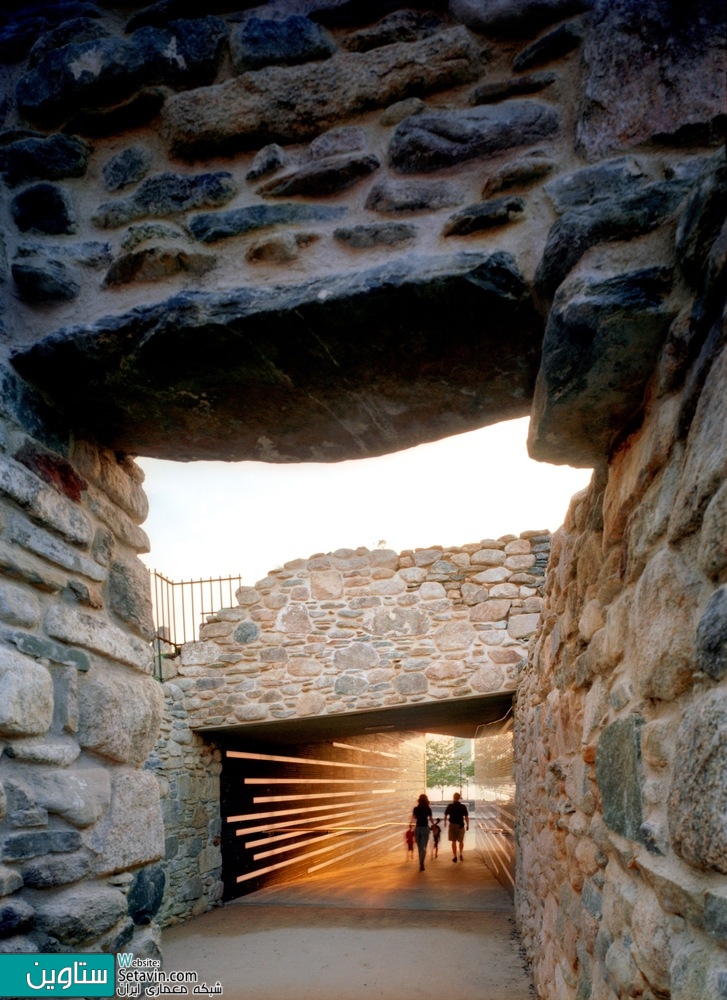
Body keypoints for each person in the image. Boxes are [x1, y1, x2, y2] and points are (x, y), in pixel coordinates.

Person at [444, 791, 469, 863]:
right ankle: (460, 853)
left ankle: (455, 856)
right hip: (460, 825)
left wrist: (445, 822)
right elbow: (466, 817)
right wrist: (467, 825)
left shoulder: (450, 806)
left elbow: (445, 815)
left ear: (453, 798)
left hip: (452, 825)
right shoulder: (463, 806)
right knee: (461, 841)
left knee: (453, 841)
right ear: (459, 798)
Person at [411, 793, 432, 871]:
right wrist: (433, 825)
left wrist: (410, 824)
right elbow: (430, 818)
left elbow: (414, 818)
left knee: (420, 847)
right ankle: (421, 863)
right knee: (423, 847)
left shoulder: (416, 809)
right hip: (425, 828)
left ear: (419, 800)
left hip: (418, 828)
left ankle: (421, 863)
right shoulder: (428, 808)